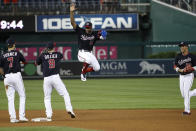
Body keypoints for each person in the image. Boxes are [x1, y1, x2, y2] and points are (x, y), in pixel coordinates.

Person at [36, 42, 75, 121]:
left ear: (46, 48)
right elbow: (61, 56)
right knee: (65, 94)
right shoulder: (58, 54)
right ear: (53, 48)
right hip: (55, 77)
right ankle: (69, 109)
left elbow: (36, 63)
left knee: (47, 97)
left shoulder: (43, 55)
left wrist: (41, 54)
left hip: (46, 79)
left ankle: (49, 115)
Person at [70, 3, 107, 81]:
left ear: (91, 27)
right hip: (81, 53)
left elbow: (102, 36)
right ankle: (83, 73)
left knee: (97, 68)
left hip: (90, 53)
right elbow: (72, 23)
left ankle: (85, 71)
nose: (87, 28)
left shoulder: (94, 34)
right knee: (88, 61)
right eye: (86, 27)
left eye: (88, 27)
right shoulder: (80, 31)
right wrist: (71, 12)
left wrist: (104, 35)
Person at [0, 38, 28, 123]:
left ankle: (13, 118)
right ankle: (21, 117)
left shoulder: (3, 55)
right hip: (16, 76)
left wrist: (3, 75)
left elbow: (0, 68)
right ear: (14, 45)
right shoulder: (17, 53)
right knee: (22, 96)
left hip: (7, 77)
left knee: (10, 98)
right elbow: (24, 62)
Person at [174, 42, 196, 115]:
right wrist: (180, 70)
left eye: (183, 46)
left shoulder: (192, 56)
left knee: (186, 92)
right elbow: (175, 66)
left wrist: (191, 69)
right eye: (180, 47)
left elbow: (195, 67)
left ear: (186, 47)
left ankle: (187, 111)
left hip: (189, 76)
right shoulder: (178, 56)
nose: (181, 48)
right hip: (181, 76)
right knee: (184, 95)